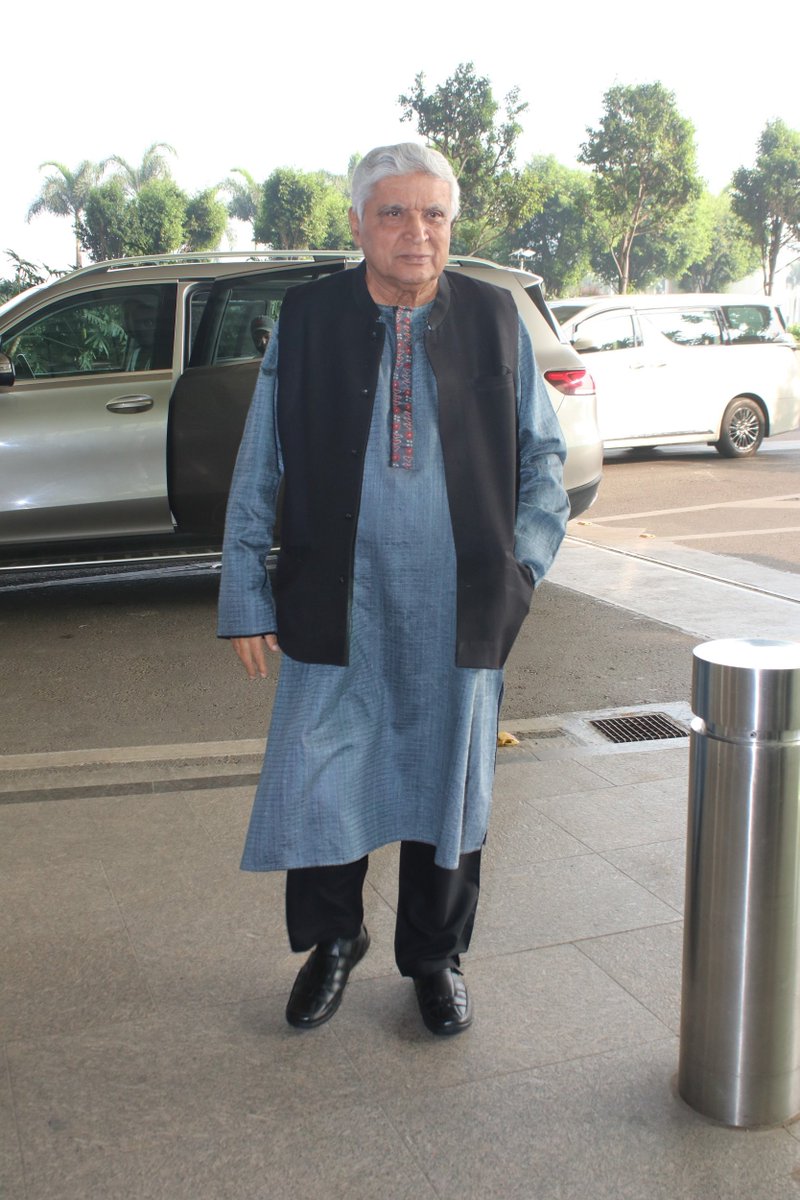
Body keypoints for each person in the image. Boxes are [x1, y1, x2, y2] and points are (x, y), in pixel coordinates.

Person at [217, 142, 569, 1037]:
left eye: (435, 215)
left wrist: (520, 568)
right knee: (323, 776)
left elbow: (544, 462)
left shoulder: (495, 318)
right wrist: (247, 593)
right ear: (357, 224)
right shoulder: (308, 320)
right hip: (339, 597)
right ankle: (334, 942)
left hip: (459, 607)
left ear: (452, 224)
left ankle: (434, 957)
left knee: (445, 785)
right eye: (395, 213)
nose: (418, 233)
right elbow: (261, 462)